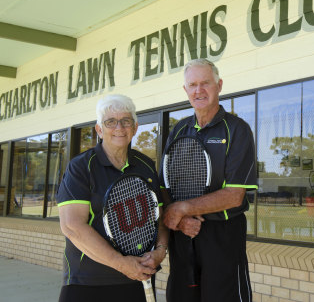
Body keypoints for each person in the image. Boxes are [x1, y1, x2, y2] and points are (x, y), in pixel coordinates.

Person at [56, 94, 169, 302]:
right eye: (110, 122)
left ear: (135, 128)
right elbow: (72, 226)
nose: (119, 127)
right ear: (99, 129)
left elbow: (158, 220)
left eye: (126, 121)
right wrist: (122, 264)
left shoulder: (145, 166)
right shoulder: (81, 167)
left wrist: (160, 251)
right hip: (88, 283)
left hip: (139, 279)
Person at [162, 59, 257, 302]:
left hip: (223, 237)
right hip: (183, 234)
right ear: (185, 91)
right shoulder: (179, 130)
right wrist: (181, 220)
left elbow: (235, 195)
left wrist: (183, 209)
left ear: (219, 85)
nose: (198, 90)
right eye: (192, 84)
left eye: (205, 83)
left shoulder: (237, 129)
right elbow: (165, 187)